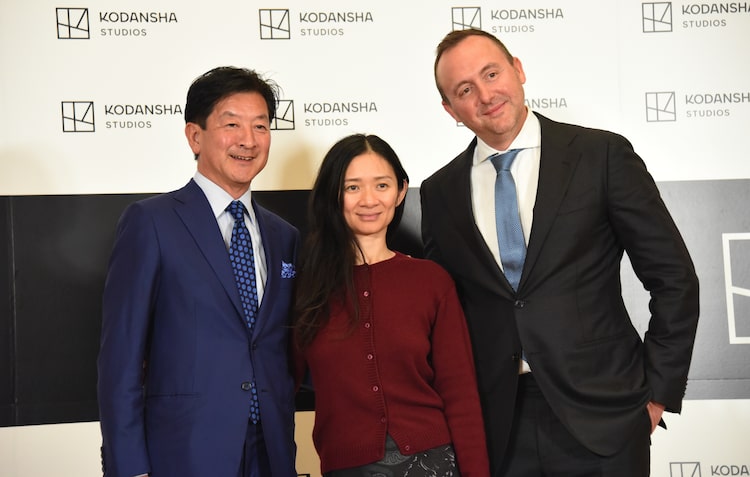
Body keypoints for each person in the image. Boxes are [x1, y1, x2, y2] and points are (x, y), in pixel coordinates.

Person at [420, 28, 700, 476]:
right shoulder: (439, 192)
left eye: (491, 74)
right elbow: (443, 316)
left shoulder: (600, 154)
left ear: (518, 69)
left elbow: (674, 278)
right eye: (465, 90)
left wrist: (658, 393)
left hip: (606, 417)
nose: (486, 95)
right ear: (450, 109)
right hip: (497, 429)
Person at [97, 66, 299, 477]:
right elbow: (121, 357)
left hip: (271, 452)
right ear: (195, 135)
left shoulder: (285, 236)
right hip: (185, 452)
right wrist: (128, 466)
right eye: (232, 124)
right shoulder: (151, 222)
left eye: (261, 126)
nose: (248, 140)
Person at [293, 134, 490, 476]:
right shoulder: (306, 288)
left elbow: (460, 394)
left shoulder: (431, 281)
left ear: (401, 191)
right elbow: (280, 383)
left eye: (381, 185)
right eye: (352, 187)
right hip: (346, 466)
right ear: (332, 195)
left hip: (433, 462)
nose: (369, 200)